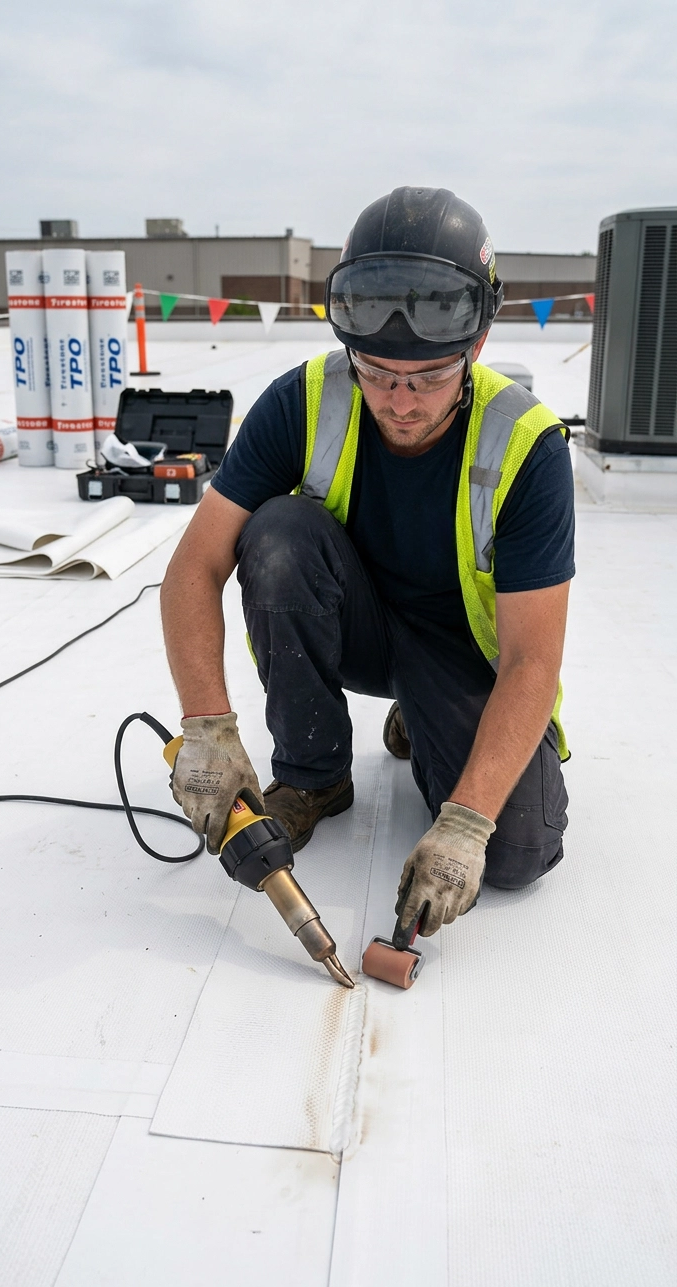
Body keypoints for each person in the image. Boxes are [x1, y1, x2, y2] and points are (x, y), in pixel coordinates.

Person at [161, 186, 573, 949]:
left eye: (428, 379)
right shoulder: (305, 400)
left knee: (517, 852)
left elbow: (532, 659)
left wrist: (466, 822)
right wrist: (206, 729)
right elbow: (194, 566)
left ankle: (423, 718)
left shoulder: (528, 446)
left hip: (465, 654)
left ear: (475, 347)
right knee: (278, 532)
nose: (400, 402)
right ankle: (315, 774)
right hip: (363, 627)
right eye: (377, 374)